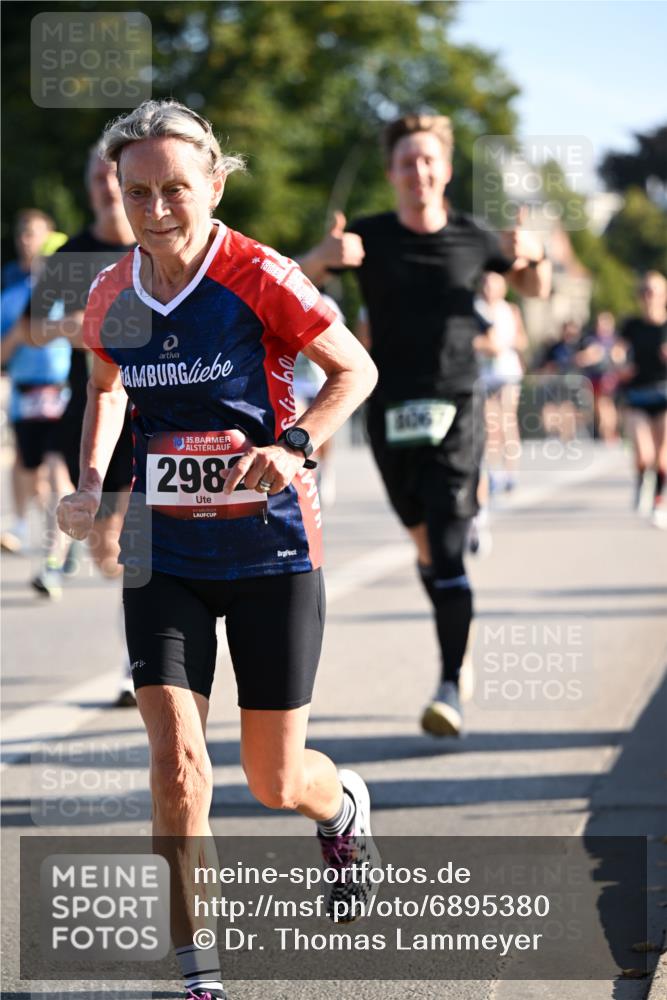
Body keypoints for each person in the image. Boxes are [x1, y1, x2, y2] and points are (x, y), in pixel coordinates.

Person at [57, 99, 379, 1000]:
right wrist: (91, 481)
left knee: (274, 780)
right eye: (136, 192)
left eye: (174, 190)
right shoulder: (112, 289)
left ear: (214, 184)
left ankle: (341, 804)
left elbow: (355, 369)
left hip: (272, 550)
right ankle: (199, 972)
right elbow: (108, 387)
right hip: (166, 558)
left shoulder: (259, 275)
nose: (155, 209)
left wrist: (296, 445)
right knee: (178, 766)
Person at [301, 113, 550, 738]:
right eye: (407, 162)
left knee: (445, 542)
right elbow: (293, 289)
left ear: (445, 169)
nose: (419, 172)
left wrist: (535, 254)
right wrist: (322, 259)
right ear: (391, 173)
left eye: (429, 161)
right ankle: (450, 610)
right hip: (386, 410)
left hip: (459, 407)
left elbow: (534, 287)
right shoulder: (368, 237)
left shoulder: (473, 238)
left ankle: (448, 681)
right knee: (423, 540)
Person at [15, 145, 139, 703]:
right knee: (109, 553)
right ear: (90, 186)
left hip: (158, 415)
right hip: (92, 412)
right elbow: (34, 329)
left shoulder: (155, 244)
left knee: (144, 552)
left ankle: (137, 666)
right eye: (96, 177)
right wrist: (87, 327)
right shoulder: (72, 257)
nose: (106, 187)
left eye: (114, 177)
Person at [0, 210, 72, 569]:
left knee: (57, 470)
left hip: (62, 391)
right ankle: (48, 533)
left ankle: (52, 560)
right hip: (23, 393)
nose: (27, 241)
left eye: (35, 235)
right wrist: (16, 337)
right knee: (31, 473)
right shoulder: (10, 286)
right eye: (22, 234)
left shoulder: (69, 286)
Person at [618, 271, 667, 522]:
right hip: (637, 396)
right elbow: (618, 352)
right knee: (644, 454)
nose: (650, 296)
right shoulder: (632, 326)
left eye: (655, 291)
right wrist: (620, 364)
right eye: (645, 291)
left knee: (662, 457)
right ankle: (640, 482)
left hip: (664, 395)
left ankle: (658, 501)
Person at [474, 270, 527, 494]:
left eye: (493, 284)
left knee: (507, 421)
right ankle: (493, 471)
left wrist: (506, 342)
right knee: (490, 424)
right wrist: (485, 345)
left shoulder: (510, 310)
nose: (489, 289)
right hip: (483, 374)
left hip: (507, 372)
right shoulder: (474, 308)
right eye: (486, 284)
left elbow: (523, 341)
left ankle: (510, 472)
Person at [575, 311, 623, 444]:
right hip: (593, 378)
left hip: (607, 377)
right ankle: (608, 433)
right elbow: (583, 357)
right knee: (600, 406)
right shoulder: (591, 339)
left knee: (605, 405)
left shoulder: (614, 340)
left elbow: (618, 357)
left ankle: (609, 433)